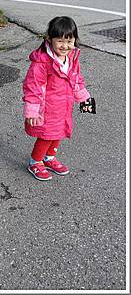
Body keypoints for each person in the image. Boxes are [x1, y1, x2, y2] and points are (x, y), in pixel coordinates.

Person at [22, 16, 91, 181]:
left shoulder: (72, 58)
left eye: (69, 41)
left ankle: (49, 158)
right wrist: (32, 110)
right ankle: (35, 161)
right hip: (46, 109)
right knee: (47, 135)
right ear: (49, 39)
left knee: (58, 133)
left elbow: (76, 78)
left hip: (64, 105)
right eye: (60, 41)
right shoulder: (42, 62)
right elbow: (33, 86)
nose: (65, 46)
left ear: (75, 40)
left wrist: (84, 98)